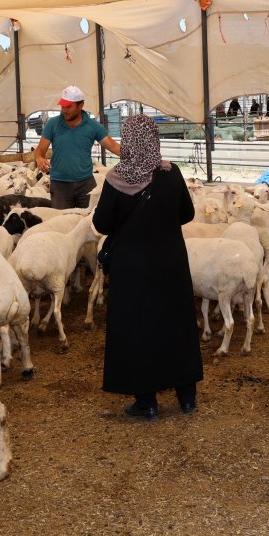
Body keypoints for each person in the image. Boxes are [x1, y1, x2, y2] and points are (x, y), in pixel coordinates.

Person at [93, 114, 202, 420]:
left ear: (128, 141)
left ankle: (147, 402)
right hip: (171, 264)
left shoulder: (116, 179)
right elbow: (188, 213)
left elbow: (101, 222)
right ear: (154, 139)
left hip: (133, 270)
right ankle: (187, 397)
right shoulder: (171, 173)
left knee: (137, 329)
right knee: (175, 324)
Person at [35, 85, 121, 209]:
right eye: (63, 106)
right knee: (62, 222)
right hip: (60, 184)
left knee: (88, 220)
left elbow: (113, 146)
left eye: (68, 106)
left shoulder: (93, 126)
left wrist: (137, 158)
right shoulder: (53, 124)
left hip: (85, 184)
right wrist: (39, 158)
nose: (64, 110)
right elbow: (40, 149)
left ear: (80, 106)